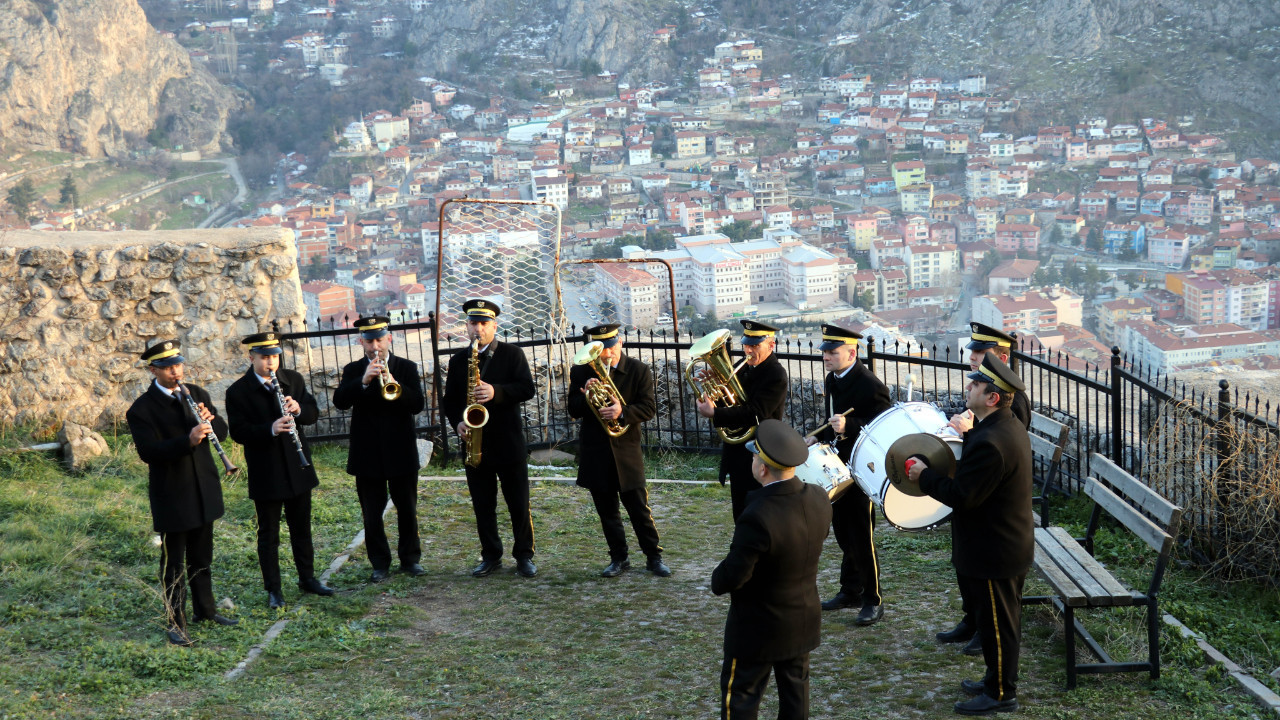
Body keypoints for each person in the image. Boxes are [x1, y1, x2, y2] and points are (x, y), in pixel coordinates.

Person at [906, 354, 1033, 716]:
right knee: (994, 622)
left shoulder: (992, 442)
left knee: (999, 625)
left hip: (995, 550)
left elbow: (963, 496)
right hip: (996, 544)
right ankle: (994, 678)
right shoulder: (1000, 428)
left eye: (976, 385)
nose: (969, 387)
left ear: (992, 397)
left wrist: (924, 475)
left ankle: (1000, 693)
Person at [712, 419, 832, 720]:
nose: (753, 460)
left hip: (757, 628)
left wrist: (717, 577)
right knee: (796, 697)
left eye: (755, 456)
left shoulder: (758, 515)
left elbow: (734, 575)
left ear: (762, 468)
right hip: (801, 619)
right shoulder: (819, 498)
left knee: (741, 697)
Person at [125, 340, 237, 646]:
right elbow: (149, 452)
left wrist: (212, 422)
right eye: (168, 367)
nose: (176, 372)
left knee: (202, 556)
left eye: (178, 365)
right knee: (173, 560)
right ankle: (175, 621)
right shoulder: (142, 409)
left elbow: (223, 433)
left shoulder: (196, 394)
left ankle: (206, 610)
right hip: (172, 493)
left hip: (204, 486)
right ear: (153, 370)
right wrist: (187, 439)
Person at [939, 322, 1031, 656]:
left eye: (980, 353)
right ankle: (975, 620)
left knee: (997, 614)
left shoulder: (1011, 407)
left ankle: (989, 642)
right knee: (969, 573)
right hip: (981, 519)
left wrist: (966, 433)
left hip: (995, 526)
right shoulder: (993, 406)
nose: (972, 358)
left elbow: (995, 458)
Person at [225, 332, 334, 609]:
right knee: (269, 534)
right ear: (252, 358)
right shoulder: (237, 392)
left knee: (302, 528)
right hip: (267, 470)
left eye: (274, 356)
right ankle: (273, 589)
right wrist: (269, 429)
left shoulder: (292, 380)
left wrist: (299, 409)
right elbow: (238, 432)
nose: (271, 362)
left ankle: (307, 579)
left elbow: (312, 413)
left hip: (297, 465)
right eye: (264, 357)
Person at [442, 299, 538, 578]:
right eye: (473, 323)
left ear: (495, 325)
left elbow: (526, 389)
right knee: (483, 505)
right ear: (467, 326)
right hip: (475, 443)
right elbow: (450, 401)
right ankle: (490, 555)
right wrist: (457, 422)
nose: (478, 328)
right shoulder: (459, 360)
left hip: (508, 442)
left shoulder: (512, 354)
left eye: (484, 323)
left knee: (518, 503)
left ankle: (524, 556)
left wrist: (496, 392)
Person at [805, 325, 893, 625]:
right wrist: (819, 436)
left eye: (833, 352)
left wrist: (850, 425)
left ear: (852, 353)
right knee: (844, 532)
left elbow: (885, 424)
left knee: (861, 536)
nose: (826, 357)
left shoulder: (869, 383)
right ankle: (851, 590)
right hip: (837, 465)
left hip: (862, 467)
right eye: (825, 352)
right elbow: (834, 419)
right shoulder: (833, 378)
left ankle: (873, 599)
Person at [567, 324, 670, 578]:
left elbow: (648, 408)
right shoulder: (581, 370)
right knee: (607, 511)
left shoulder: (638, 370)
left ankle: (653, 557)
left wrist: (622, 412)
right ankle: (619, 558)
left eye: (611, 348)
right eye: (601, 350)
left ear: (620, 343)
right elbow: (573, 409)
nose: (607, 355)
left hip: (626, 450)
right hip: (596, 450)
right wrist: (587, 394)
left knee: (639, 509)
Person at [333, 315, 426, 582]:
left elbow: (417, 404)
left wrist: (395, 382)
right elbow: (340, 402)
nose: (375, 346)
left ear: (389, 338)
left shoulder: (405, 367)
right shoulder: (353, 369)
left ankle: (410, 560)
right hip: (367, 451)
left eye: (379, 339)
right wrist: (362, 381)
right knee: (371, 513)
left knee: (407, 508)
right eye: (369, 340)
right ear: (361, 341)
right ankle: (380, 563)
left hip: (400, 449)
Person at [696, 319, 788, 520]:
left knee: (758, 515)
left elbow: (756, 413)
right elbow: (731, 403)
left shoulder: (776, 374)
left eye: (755, 345)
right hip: (738, 453)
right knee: (740, 512)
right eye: (746, 344)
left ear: (771, 345)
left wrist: (715, 414)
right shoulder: (742, 366)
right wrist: (714, 393)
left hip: (761, 451)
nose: (749, 350)